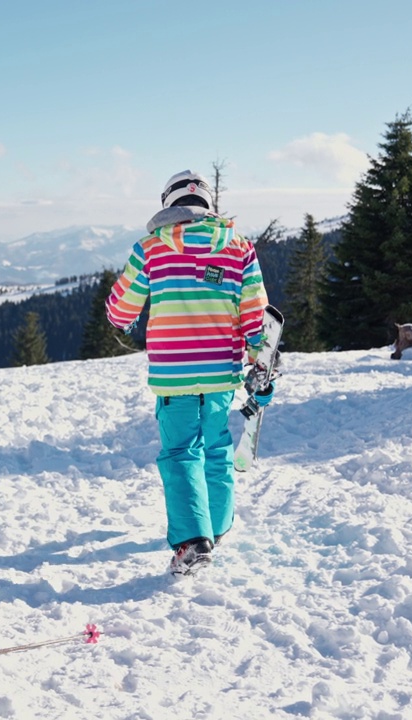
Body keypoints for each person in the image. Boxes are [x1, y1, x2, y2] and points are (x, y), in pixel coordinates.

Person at [106, 169, 271, 576]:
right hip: (221, 374)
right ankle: (217, 526)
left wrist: (124, 318)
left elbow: (121, 309)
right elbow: (256, 316)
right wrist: (258, 357)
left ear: (169, 205)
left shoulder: (151, 249)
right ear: (208, 205)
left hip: (174, 374)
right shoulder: (239, 248)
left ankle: (191, 543)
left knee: (181, 451)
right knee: (214, 446)